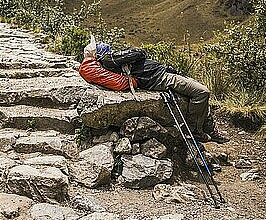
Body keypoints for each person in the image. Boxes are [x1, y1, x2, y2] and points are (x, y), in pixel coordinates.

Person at [95, 41, 229, 144]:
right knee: (202, 92)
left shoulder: (113, 61)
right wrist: (127, 52)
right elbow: (140, 52)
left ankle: (209, 130)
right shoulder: (109, 60)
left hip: (163, 74)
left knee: (200, 91)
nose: (111, 51)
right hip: (161, 78)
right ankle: (193, 130)